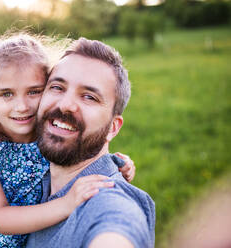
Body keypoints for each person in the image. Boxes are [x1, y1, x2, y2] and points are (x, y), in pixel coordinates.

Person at [0, 33, 136, 247]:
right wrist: (66, 204)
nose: (21, 106)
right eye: (7, 94)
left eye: (34, 91)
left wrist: (116, 164)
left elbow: (77, 148)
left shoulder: (46, 135)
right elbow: (0, 218)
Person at [26, 38, 155, 248]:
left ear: (113, 128)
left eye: (89, 97)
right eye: (57, 87)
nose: (66, 105)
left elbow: (116, 229)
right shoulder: (29, 176)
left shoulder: (110, 204)